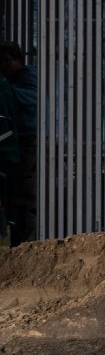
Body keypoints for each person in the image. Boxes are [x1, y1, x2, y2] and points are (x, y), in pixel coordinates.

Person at [0, 40, 34, 244]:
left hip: (29, 139)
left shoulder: (29, 77)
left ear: (19, 60)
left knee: (25, 194)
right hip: (17, 140)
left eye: (8, 61)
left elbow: (33, 98)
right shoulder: (11, 82)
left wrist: (8, 93)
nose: (4, 66)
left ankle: (28, 240)